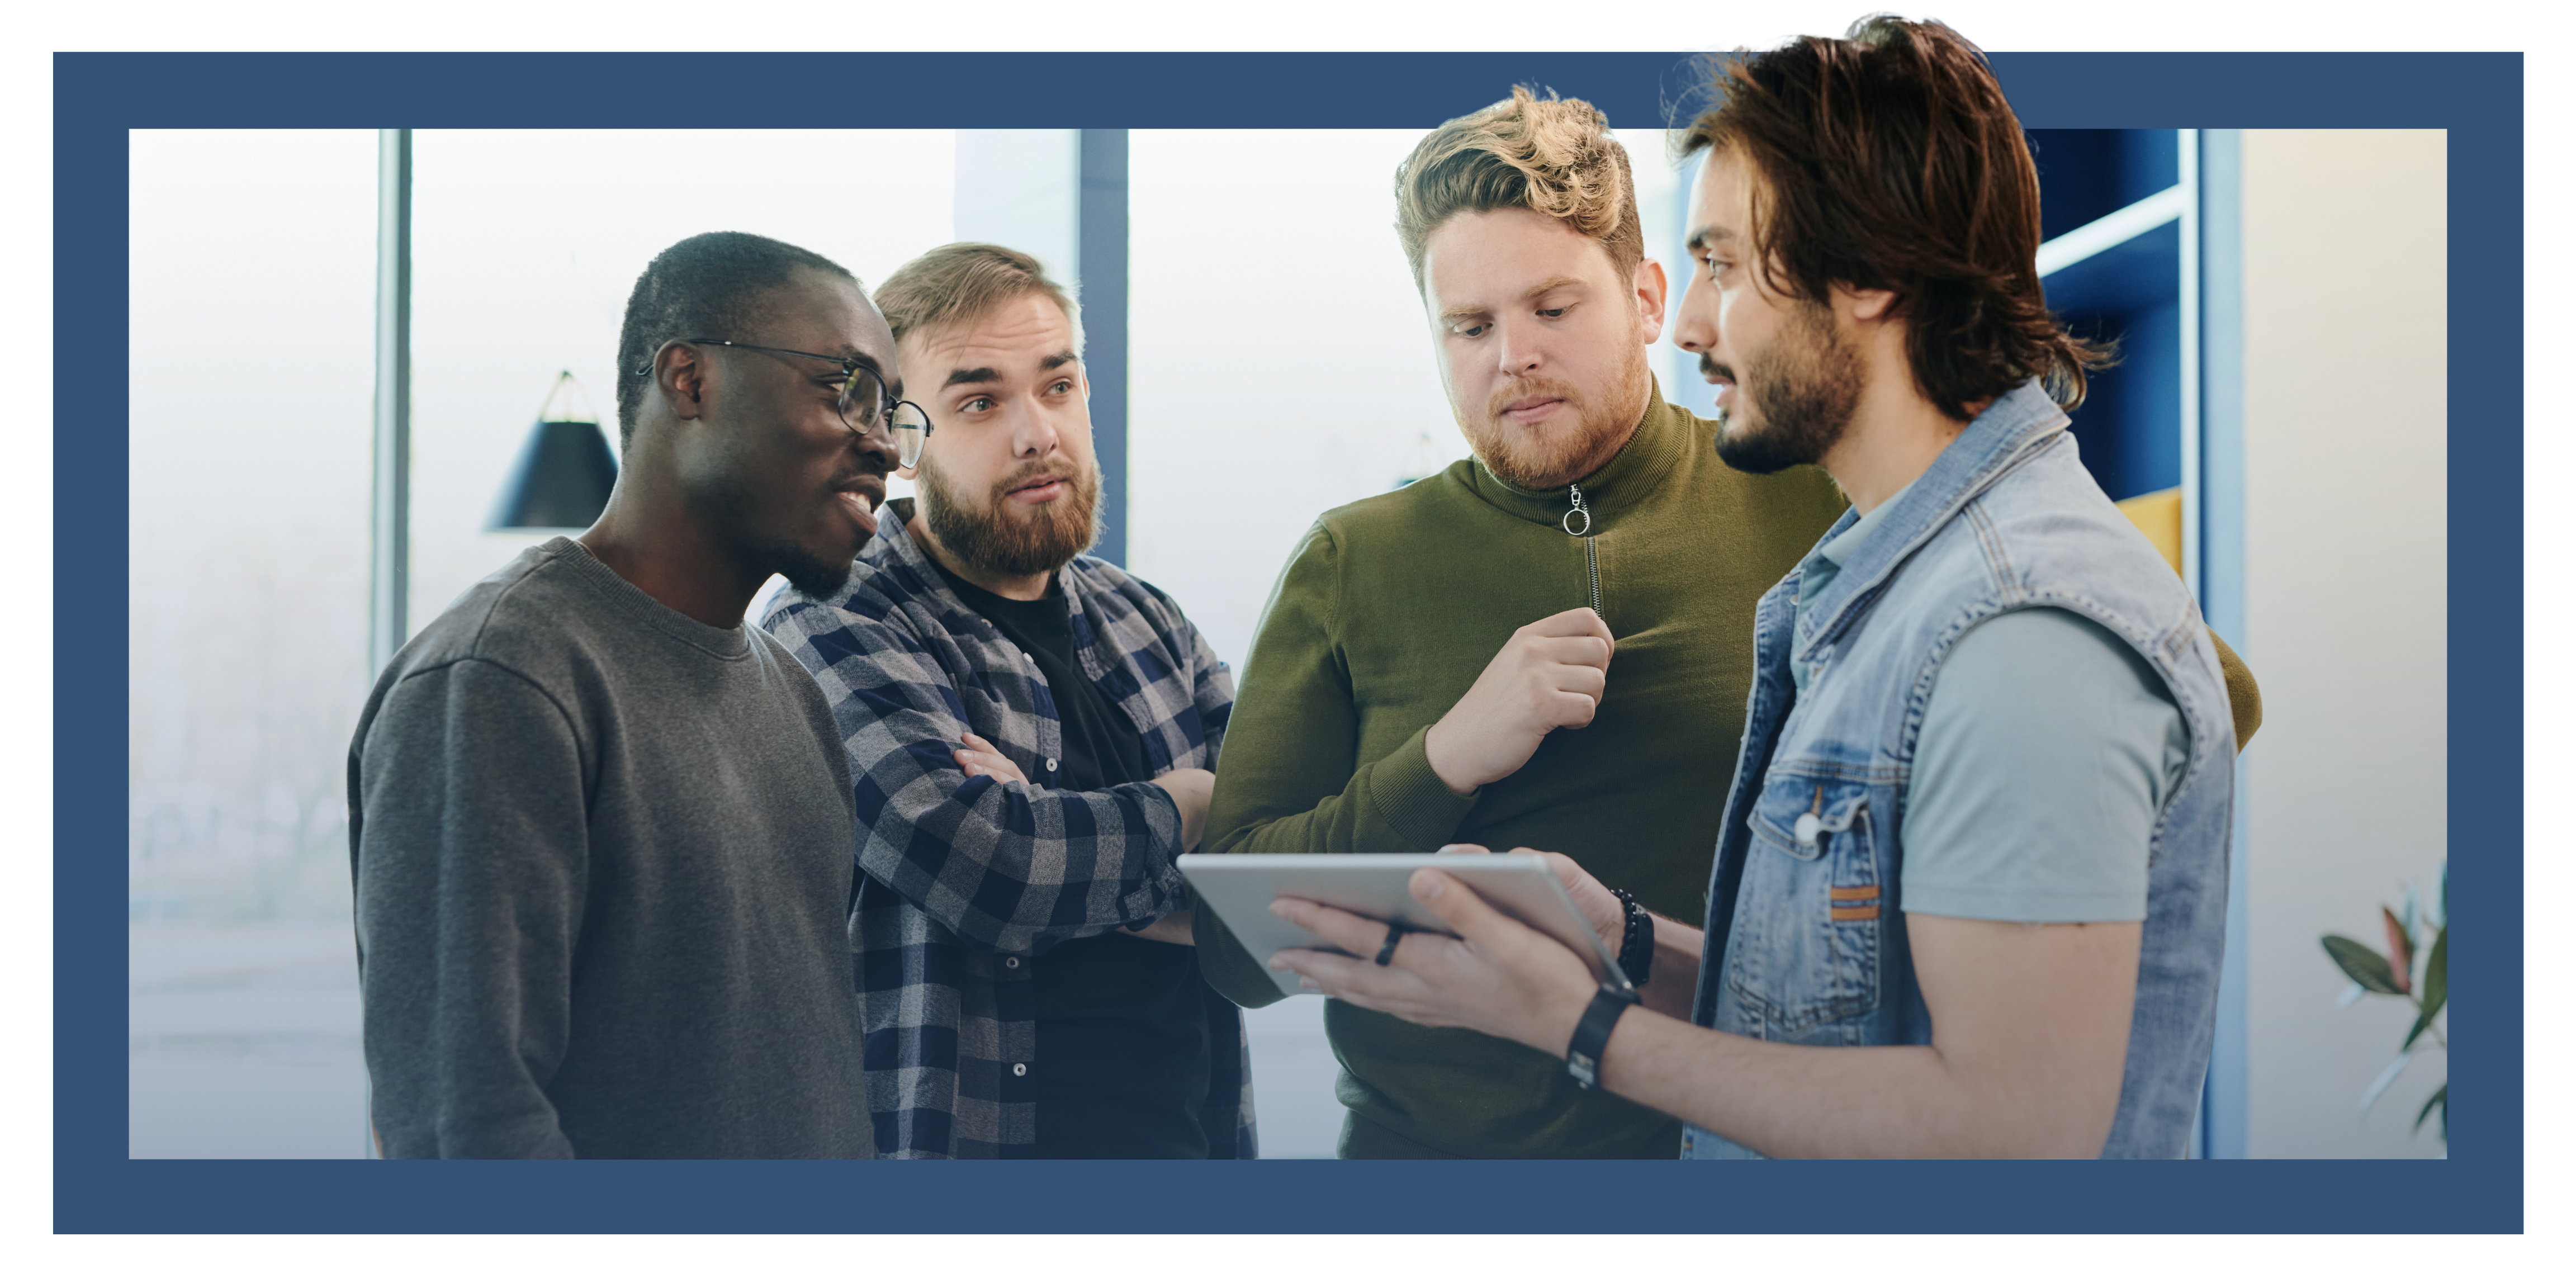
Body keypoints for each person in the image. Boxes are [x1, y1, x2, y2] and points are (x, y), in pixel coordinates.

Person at [1195, 84, 2260, 1158]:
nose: (1510, 355)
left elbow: (2156, 685)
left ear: (1648, 300)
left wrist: (1980, 907)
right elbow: (1237, 950)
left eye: (1553, 309)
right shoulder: (1353, 562)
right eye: (1468, 325)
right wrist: (1445, 760)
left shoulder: (1839, 498)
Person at [349, 231, 897, 1158]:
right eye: (847, 387)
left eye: (892, 409)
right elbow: (466, 1129)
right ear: (690, 381)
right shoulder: (502, 680)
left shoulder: (795, 699)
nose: (884, 442)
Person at [763, 243, 1251, 1160]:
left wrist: (1051, 830)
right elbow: (994, 871)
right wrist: (1187, 809)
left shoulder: (1150, 622)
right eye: (980, 402)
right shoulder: (832, 620)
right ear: (899, 439)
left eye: (1058, 386)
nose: (1039, 435)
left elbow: (1287, 869)